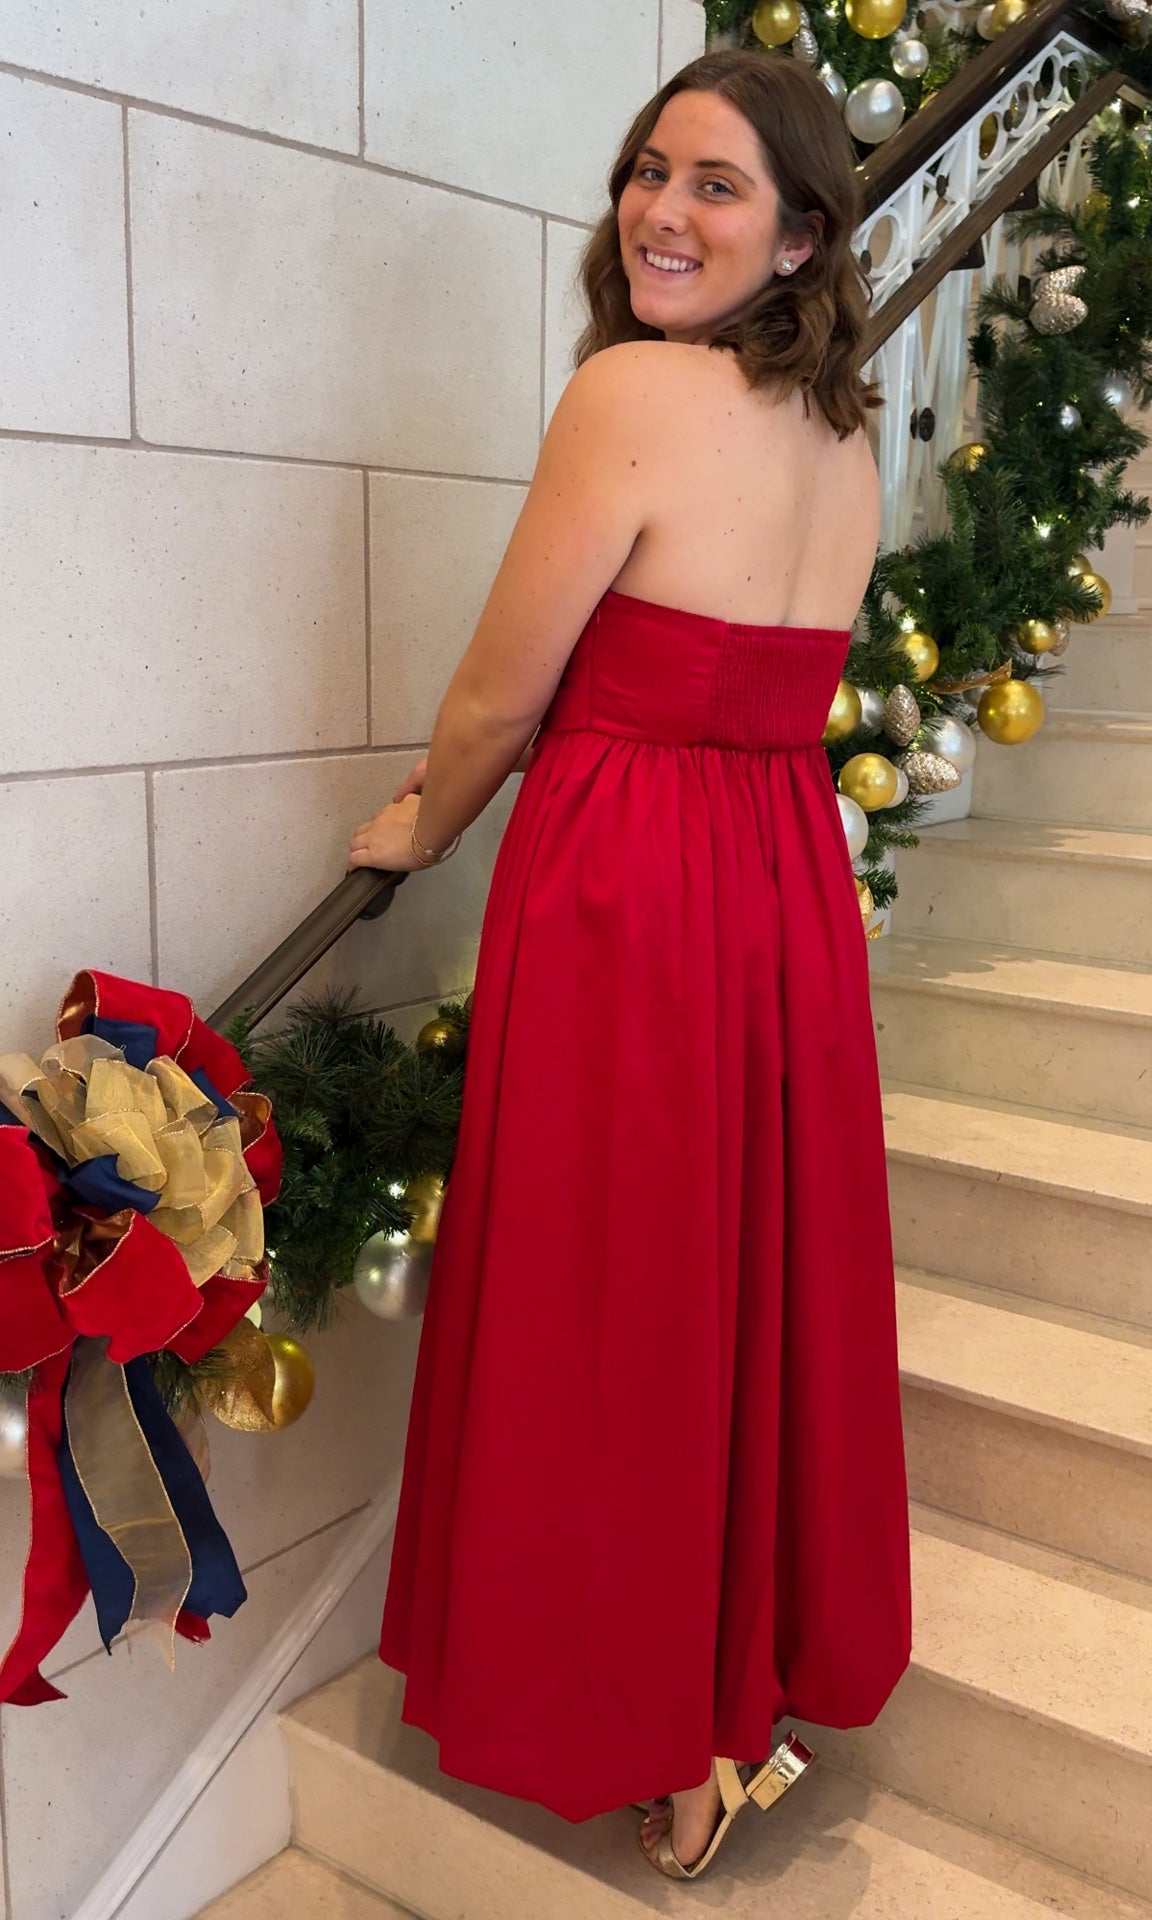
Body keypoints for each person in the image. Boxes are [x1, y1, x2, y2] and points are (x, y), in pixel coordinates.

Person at [347, 47, 912, 1883]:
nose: (660, 211)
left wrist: (421, 824)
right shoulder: (848, 435)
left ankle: (655, 1722)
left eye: (717, 185)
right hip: (778, 876)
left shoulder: (631, 393)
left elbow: (500, 691)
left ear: (802, 232)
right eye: (648, 169)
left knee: (621, 1294)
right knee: (740, 1279)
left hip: (636, 887)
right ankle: (734, 1694)